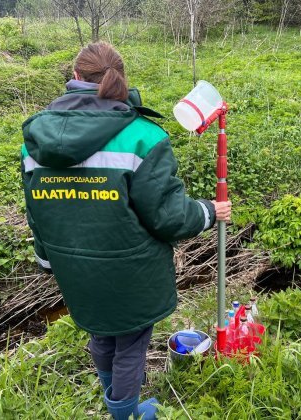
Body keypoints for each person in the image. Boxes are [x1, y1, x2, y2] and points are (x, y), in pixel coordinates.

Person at [20, 42, 231, 419]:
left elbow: (37, 213)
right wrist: (208, 211)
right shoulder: (143, 137)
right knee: (131, 343)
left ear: (75, 78)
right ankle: (125, 413)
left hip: (75, 268)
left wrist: (47, 262)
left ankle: (112, 397)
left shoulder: (34, 141)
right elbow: (168, 218)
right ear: (121, 79)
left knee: (101, 333)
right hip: (132, 272)